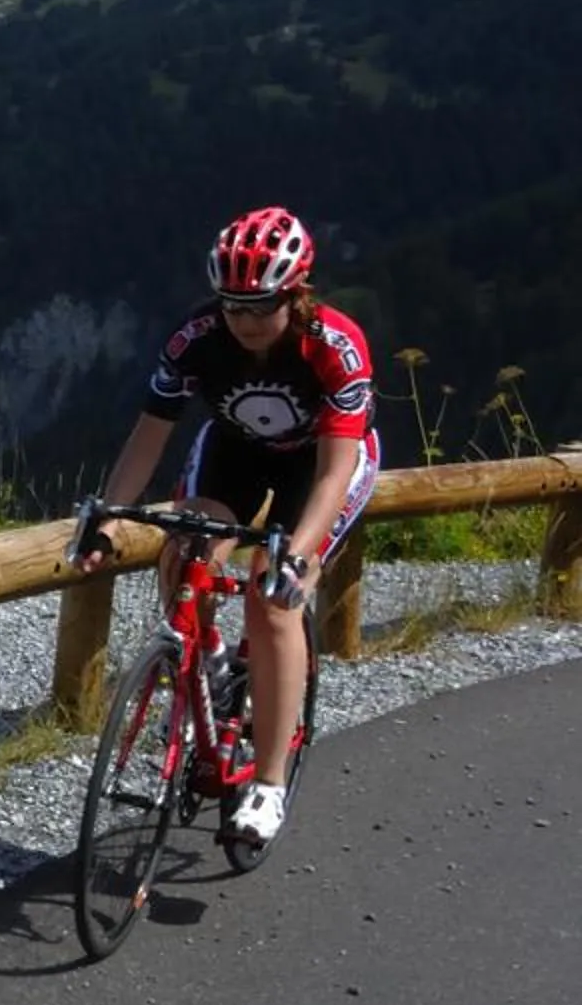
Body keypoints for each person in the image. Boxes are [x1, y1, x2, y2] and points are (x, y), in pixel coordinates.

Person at [78, 206, 378, 845]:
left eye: (257, 306)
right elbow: (148, 437)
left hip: (321, 465)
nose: (240, 320)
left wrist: (298, 556)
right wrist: (106, 516)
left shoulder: (333, 346)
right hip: (235, 450)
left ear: (293, 294)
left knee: (272, 601)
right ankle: (204, 660)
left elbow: (333, 475)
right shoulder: (197, 337)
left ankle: (267, 785)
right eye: (229, 305)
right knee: (186, 546)